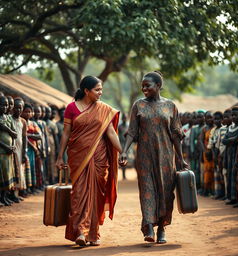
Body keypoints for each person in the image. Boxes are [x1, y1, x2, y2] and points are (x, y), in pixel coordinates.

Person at [119, 71, 188, 244]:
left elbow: (176, 134)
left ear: (158, 86)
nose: (144, 89)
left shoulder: (170, 106)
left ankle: (162, 228)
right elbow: (132, 132)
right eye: (142, 86)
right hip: (144, 157)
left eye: (147, 86)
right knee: (147, 191)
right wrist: (125, 151)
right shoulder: (138, 105)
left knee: (166, 192)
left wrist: (180, 158)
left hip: (165, 156)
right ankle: (149, 226)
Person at [56, 75, 122, 246]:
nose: (101, 92)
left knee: (97, 196)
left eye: (101, 89)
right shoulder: (71, 108)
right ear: (86, 91)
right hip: (78, 156)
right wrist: (59, 156)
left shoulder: (104, 109)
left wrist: (122, 152)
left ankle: (93, 234)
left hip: (100, 158)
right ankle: (79, 231)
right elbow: (66, 133)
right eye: (97, 89)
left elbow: (111, 133)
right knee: (78, 195)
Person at [223, 106, 238, 205]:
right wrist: (232, 140)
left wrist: (230, 140)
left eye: (236, 115)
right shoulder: (230, 128)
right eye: (232, 115)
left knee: (236, 175)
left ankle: (237, 198)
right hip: (229, 154)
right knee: (230, 174)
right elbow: (224, 140)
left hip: (237, 154)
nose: (233, 117)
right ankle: (230, 197)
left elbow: (237, 139)